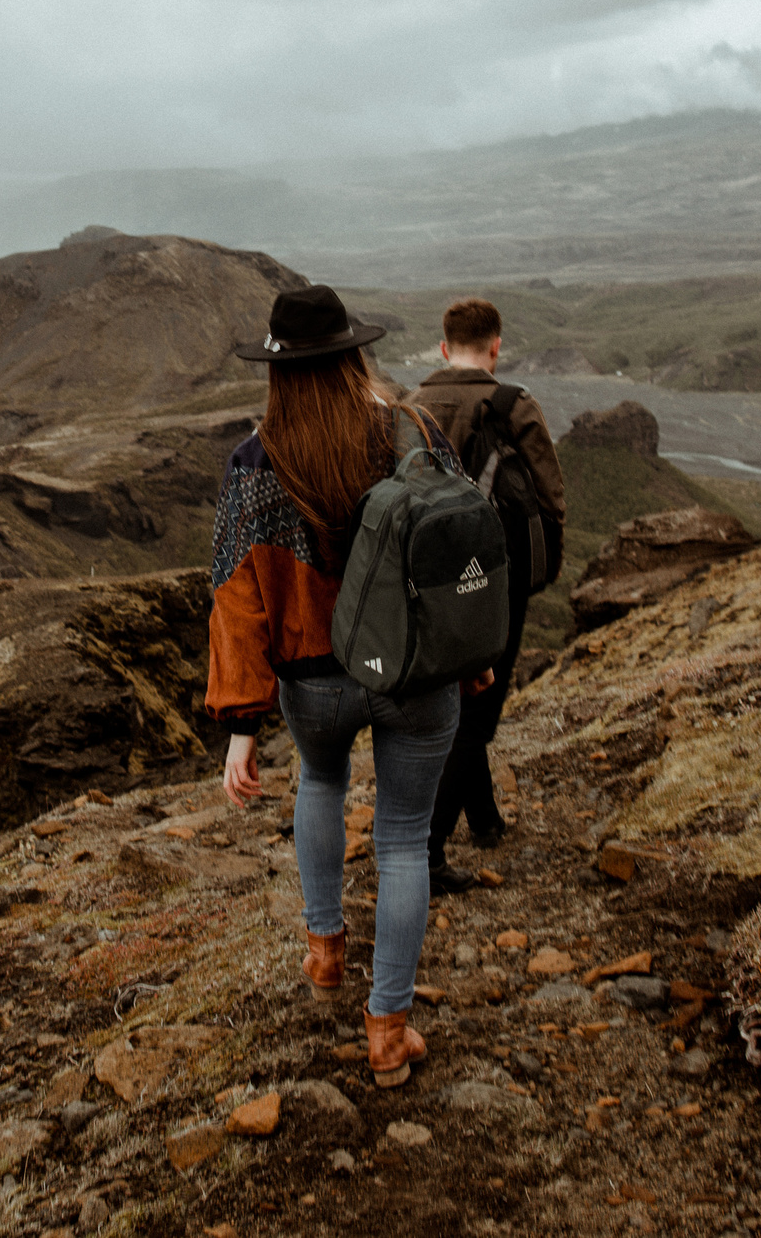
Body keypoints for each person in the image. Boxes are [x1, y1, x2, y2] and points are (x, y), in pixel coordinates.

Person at [205, 283, 487, 1089]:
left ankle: (325, 950)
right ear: (354, 353)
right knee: (402, 838)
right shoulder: (414, 431)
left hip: (313, 680)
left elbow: (236, 595)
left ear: (278, 371)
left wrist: (242, 724)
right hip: (412, 671)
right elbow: (457, 551)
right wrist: (472, 654)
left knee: (322, 780)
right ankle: (388, 1029)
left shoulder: (254, 461)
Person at [403, 296, 567, 894]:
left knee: (451, 699)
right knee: (477, 714)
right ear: (496, 346)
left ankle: (486, 819)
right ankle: (426, 851)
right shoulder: (513, 405)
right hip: (494, 581)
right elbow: (551, 498)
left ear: (443, 348)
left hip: (423, 580)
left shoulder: (409, 407)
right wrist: (537, 572)